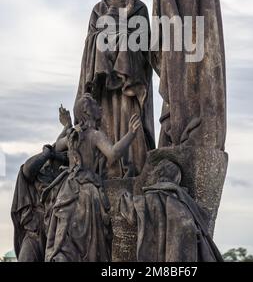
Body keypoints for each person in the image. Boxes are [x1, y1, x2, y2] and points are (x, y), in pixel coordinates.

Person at [136, 0, 226, 148]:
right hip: (182, 32)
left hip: (191, 30)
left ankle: (187, 130)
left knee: (189, 81)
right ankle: (175, 129)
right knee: (178, 82)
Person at [76, 0, 154, 177]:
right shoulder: (98, 9)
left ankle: (136, 167)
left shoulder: (139, 7)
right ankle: (105, 167)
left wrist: (123, 25)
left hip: (129, 80)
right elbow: (91, 39)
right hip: (104, 82)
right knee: (103, 119)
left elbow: (145, 43)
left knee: (131, 119)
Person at [45, 93, 142, 262]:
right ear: (87, 112)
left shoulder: (71, 135)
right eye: (96, 105)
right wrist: (131, 134)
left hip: (68, 190)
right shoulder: (95, 135)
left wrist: (66, 126)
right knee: (89, 243)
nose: (101, 107)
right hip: (87, 192)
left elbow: (56, 146)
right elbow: (112, 154)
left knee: (64, 239)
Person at [120, 159, 223, 262]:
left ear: (158, 173)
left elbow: (132, 214)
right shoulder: (185, 204)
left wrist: (124, 195)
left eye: (153, 172)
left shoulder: (151, 198)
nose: (149, 176)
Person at [11, 105, 71, 262]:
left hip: (55, 231)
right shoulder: (40, 170)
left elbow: (62, 144)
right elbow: (27, 170)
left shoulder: (65, 175)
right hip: (35, 232)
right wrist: (48, 152)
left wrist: (67, 127)